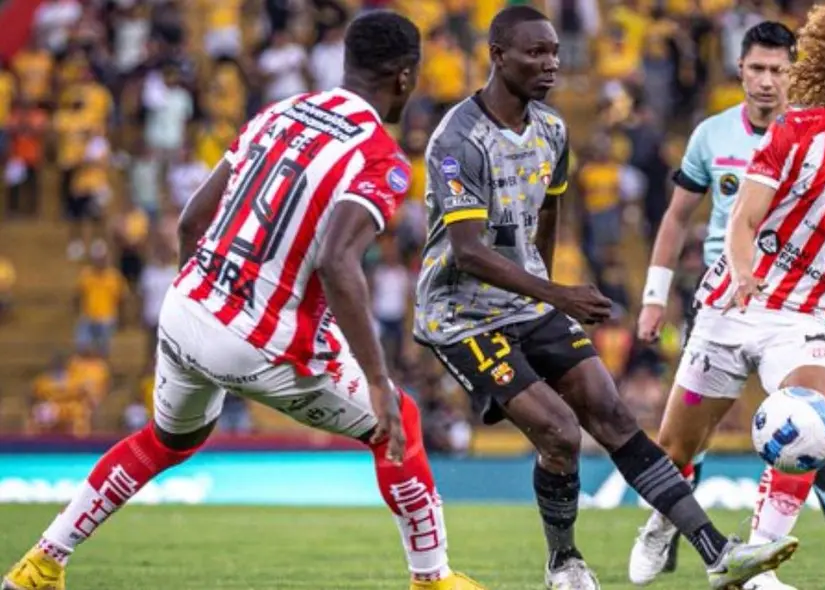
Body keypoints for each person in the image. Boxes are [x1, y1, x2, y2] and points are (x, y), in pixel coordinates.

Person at [2, 12, 484, 590]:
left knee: (163, 442)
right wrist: (377, 380)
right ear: (406, 77)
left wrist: (204, 306)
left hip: (186, 308)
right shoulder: (379, 157)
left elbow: (192, 220)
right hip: (261, 337)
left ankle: (42, 562)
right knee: (397, 419)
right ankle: (431, 580)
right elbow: (337, 262)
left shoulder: (279, 113)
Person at [413, 6, 798, 590]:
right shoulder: (458, 139)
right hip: (461, 315)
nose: (551, 64)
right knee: (561, 432)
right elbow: (467, 252)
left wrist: (545, 295)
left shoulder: (552, 129)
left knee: (614, 414)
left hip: (527, 302)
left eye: (553, 52)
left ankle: (720, 555)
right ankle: (564, 563)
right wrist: (557, 292)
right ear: (497, 56)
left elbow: (549, 212)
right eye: (535, 53)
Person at [630, 5, 825, 590]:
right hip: (731, 302)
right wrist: (745, 274)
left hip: (805, 320)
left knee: (809, 420)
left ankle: (757, 568)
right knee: (675, 448)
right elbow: (743, 219)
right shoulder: (797, 132)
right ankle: (660, 522)